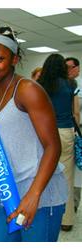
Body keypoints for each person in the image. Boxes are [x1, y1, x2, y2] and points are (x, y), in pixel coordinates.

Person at [0, 27, 67, 242]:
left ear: (14, 59)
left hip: (40, 193)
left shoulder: (27, 89)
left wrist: (33, 195)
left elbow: (53, 146)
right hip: (6, 192)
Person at [37, 54, 76, 233]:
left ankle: (43, 213)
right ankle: (66, 220)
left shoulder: (41, 85)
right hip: (66, 131)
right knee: (67, 177)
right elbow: (74, 113)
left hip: (45, 134)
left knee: (43, 174)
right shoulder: (70, 85)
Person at [65, 57, 81, 213]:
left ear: (77, 68)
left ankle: (75, 201)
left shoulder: (78, 84)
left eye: (70, 67)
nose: (68, 70)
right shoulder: (65, 85)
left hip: (77, 130)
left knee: (77, 170)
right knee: (72, 170)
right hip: (72, 131)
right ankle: (73, 204)